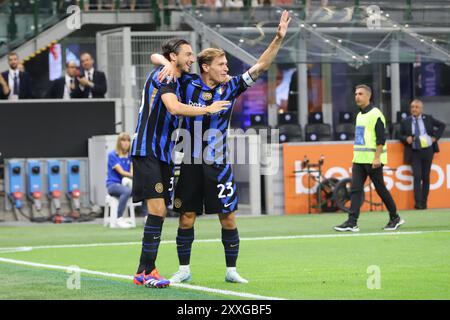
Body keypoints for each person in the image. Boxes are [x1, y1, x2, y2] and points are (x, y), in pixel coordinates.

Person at [151, 10, 291, 284]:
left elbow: (261, 66)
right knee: (187, 217)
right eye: (222, 64)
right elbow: (159, 59)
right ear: (205, 67)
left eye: (227, 64)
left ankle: (231, 270)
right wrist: (163, 62)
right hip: (190, 161)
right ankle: (184, 269)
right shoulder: (186, 81)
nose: (227, 68)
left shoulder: (231, 87)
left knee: (227, 217)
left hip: (219, 163)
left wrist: (277, 38)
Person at [131, 38, 230, 288]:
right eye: (187, 54)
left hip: (163, 154)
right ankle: (147, 270)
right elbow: (173, 108)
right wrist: (209, 109)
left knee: (160, 212)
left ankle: (144, 271)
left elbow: (156, 56)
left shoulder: (174, 75)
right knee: (157, 210)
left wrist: (162, 59)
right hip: (148, 151)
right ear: (174, 57)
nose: (192, 58)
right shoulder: (165, 78)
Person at [334, 84, 404, 232]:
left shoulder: (376, 114)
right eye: (355, 94)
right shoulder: (360, 115)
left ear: (368, 96)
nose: (357, 97)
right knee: (355, 190)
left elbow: (381, 139)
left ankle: (395, 217)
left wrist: (377, 158)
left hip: (373, 161)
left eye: (360, 94)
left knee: (380, 190)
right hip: (359, 159)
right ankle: (352, 222)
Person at [399, 99, 446, 209]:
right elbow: (399, 135)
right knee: (417, 177)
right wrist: (406, 138)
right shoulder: (405, 121)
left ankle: (424, 203)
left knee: (426, 177)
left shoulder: (428, 118)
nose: (414, 109)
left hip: (428, 151)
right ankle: (418, 204)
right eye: (412, 107)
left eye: (416, 107)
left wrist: (435, 138)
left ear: (421, 109)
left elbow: (442, 125)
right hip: (414, 151)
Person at [106, 133, 135, 228]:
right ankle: (119, 218)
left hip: (126, 184)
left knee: (145, 188)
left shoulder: (131, 156)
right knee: (127, 191)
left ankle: (146, 216)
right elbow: (122, 172)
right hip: (113, 185)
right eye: (123, 140)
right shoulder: (112, 155)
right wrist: (133, 176)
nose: (126, 143)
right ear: (119, 142)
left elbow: (132, 169)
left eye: (128, 140)